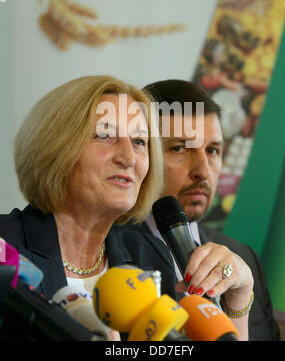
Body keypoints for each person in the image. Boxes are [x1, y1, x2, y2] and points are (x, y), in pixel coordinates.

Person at [0, 75, 176, 340]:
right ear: (56, 148)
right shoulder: (5, 247)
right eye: (105, 135)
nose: (128, 158)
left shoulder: (148, 256)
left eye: (139, 142)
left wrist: (236, 306)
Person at [136, 79, 280, 341]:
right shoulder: (107, 248)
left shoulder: (245, 258)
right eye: (179, 148)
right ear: (141, 151)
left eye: (213, 150)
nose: (202, 170)